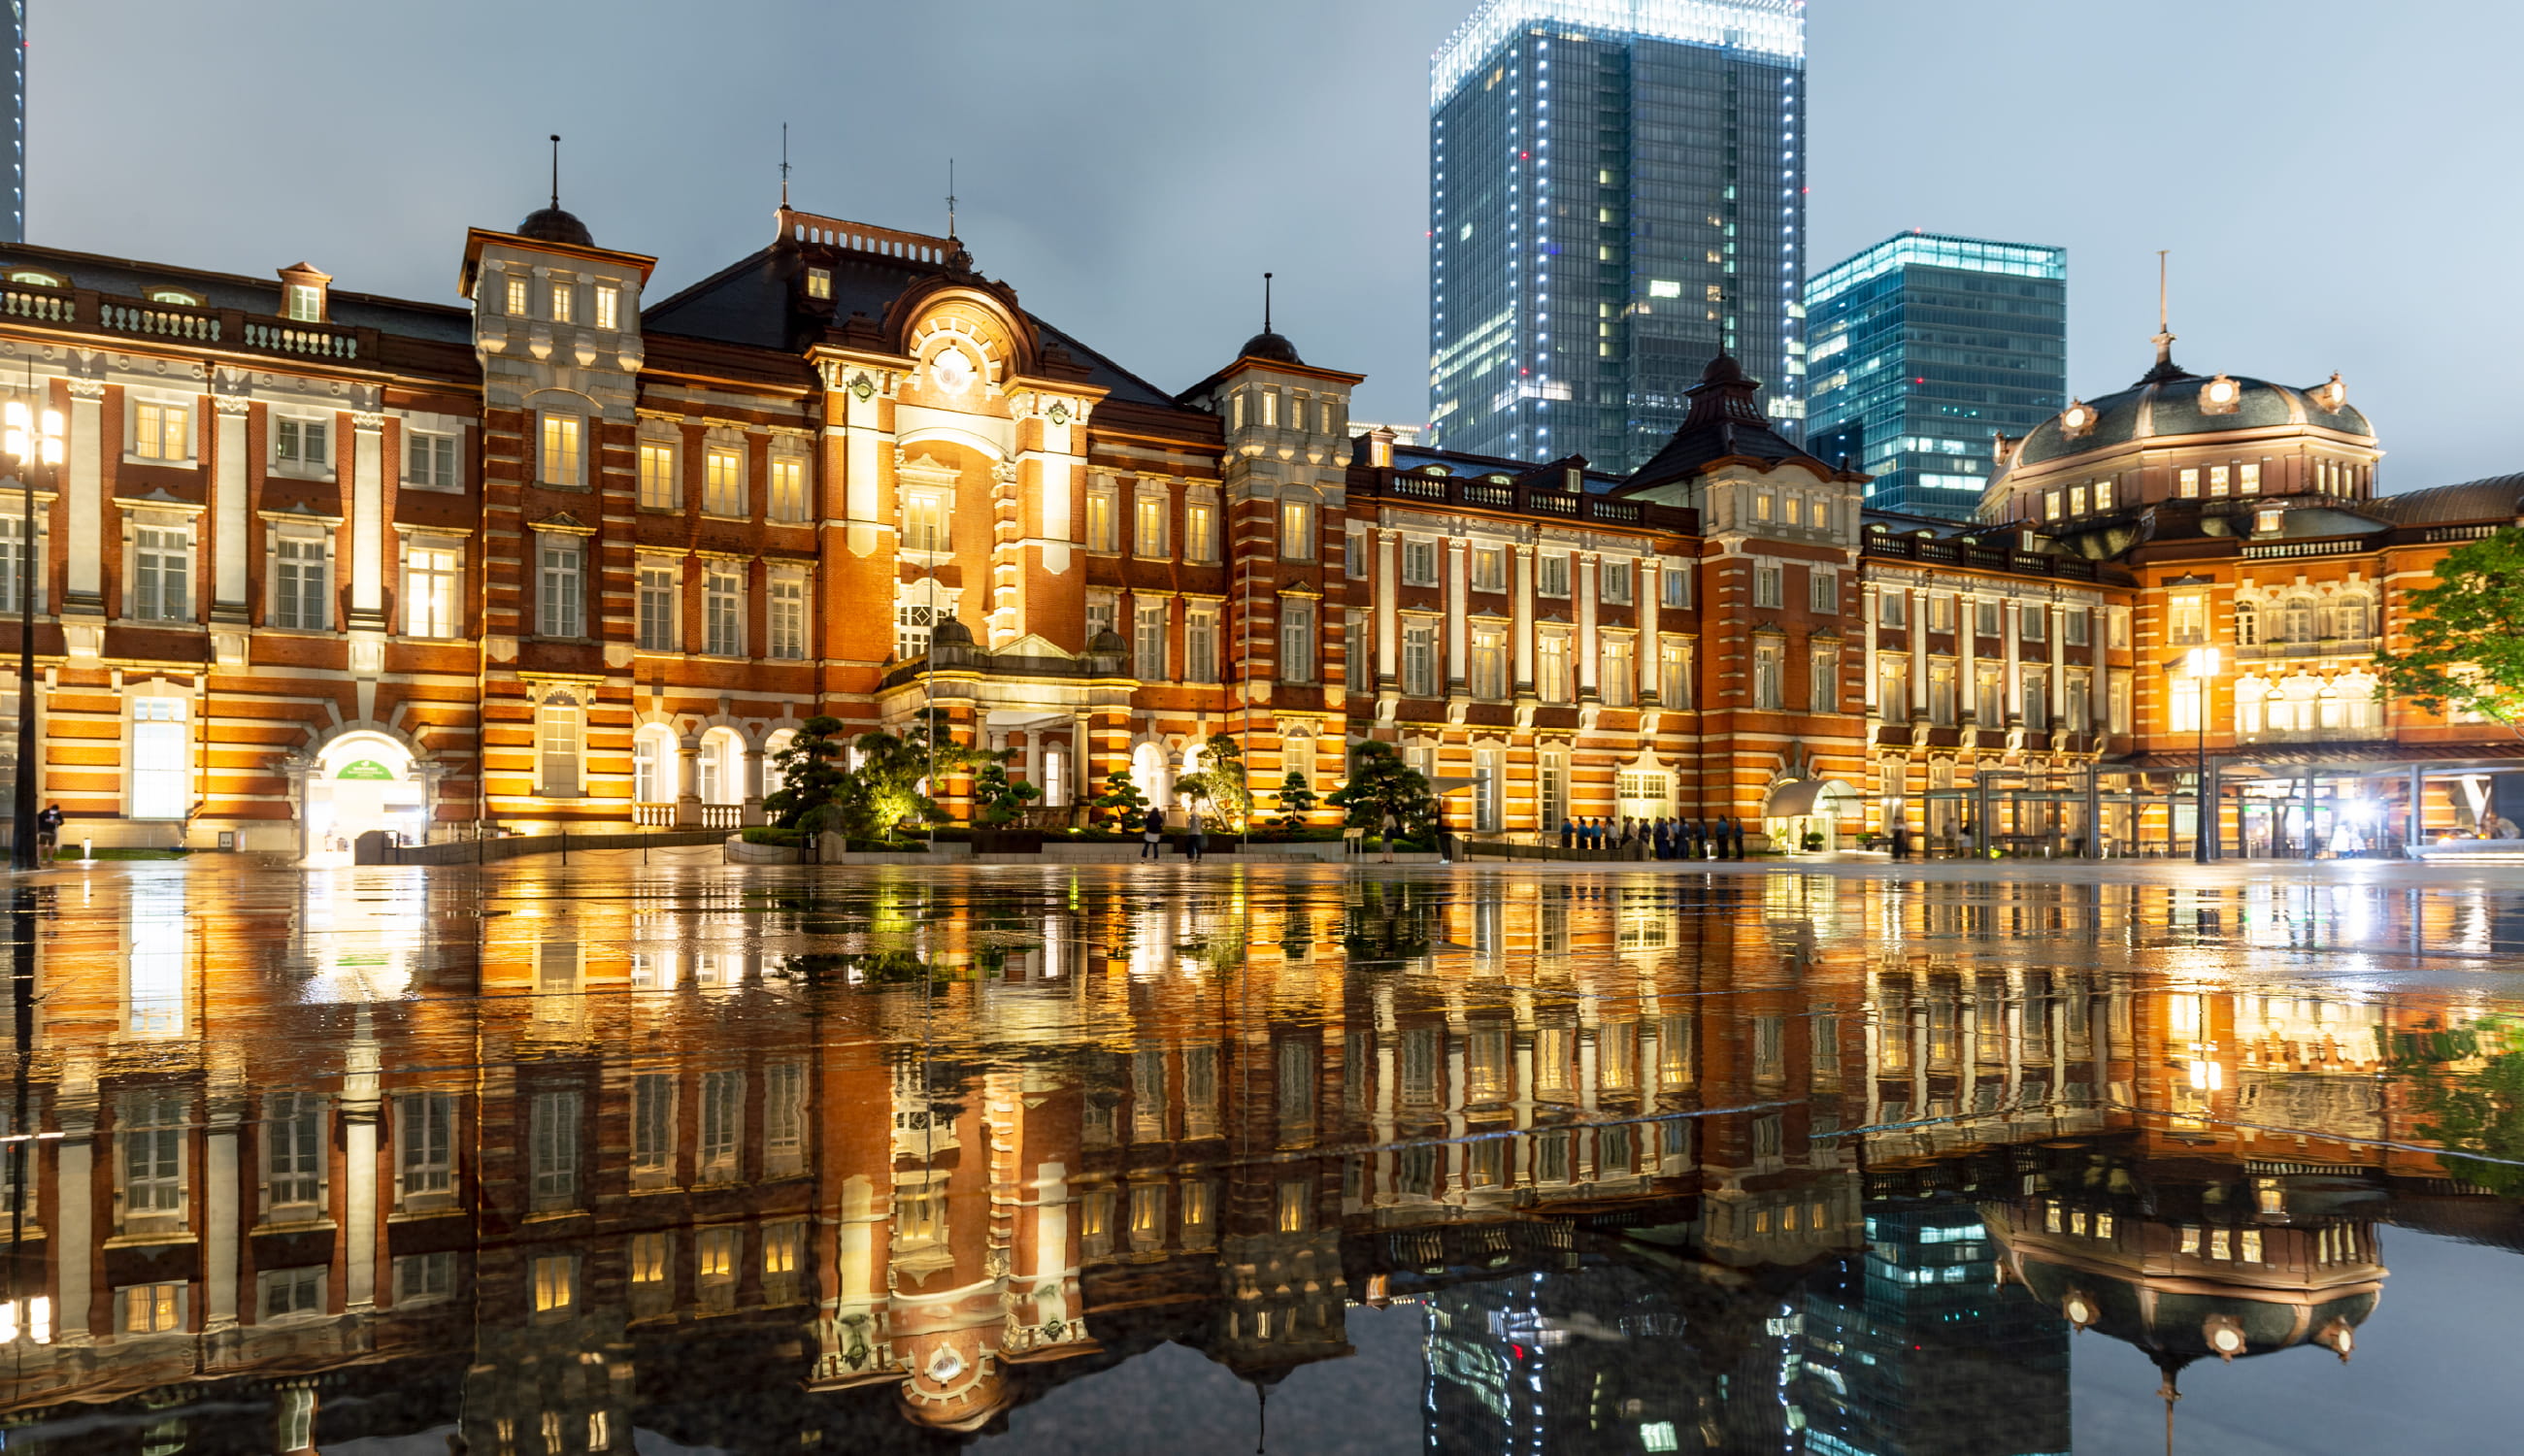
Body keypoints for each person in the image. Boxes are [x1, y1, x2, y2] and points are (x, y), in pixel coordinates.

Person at [35, 802, 63, 866]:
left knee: (46, 845)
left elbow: (61, 821)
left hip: (50, 831)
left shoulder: (56, 813)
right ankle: (42, 857)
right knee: (43, 844)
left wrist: (57, 821)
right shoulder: (45, 812)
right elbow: (39, 818)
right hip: (47, 831)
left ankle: (46, 857)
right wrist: (47, 820)